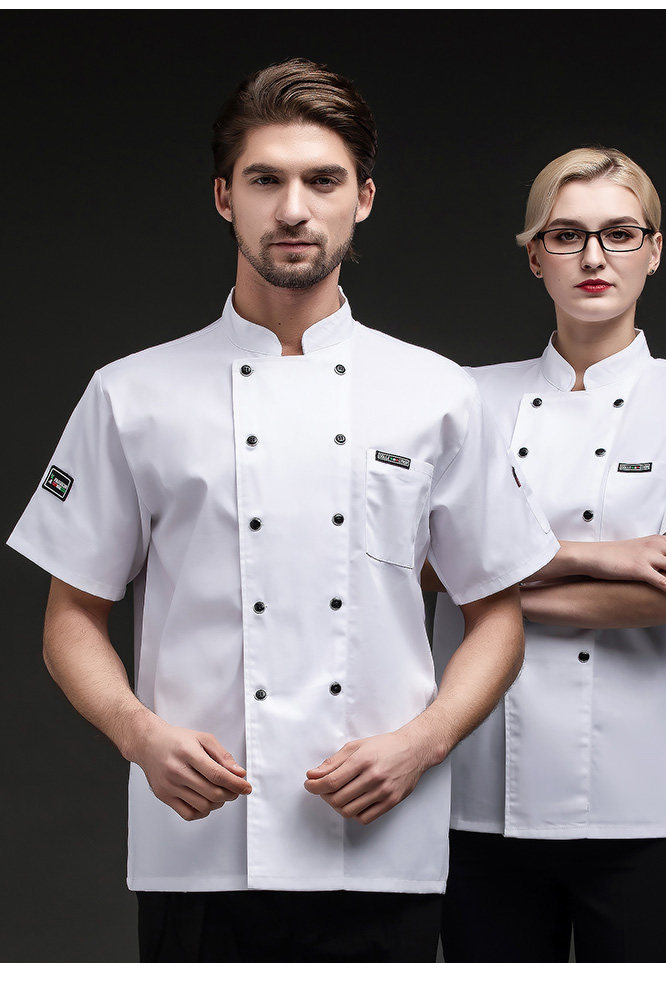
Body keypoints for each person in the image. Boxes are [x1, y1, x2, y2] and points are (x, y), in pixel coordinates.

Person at [6, 59, 562, 962]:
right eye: (266, 180)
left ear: (363, 199)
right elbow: (70, 617)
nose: (294, 209)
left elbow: (496, 613)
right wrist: (139, 736)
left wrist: (422, 745)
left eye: (323, 181)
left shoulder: (437, 393)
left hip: (380, 838)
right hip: (197, 842)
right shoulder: (130, 392)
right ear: (224, 197)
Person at [428, 147, 666, 962]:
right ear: (535, 255)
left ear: (654, 250)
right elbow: (424, 565)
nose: (593, 257)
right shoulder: (465, 396)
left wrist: (490, 590)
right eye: (566, 234)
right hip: (480, 794)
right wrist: (612, 558)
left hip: (645, 799)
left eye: (619, 233)